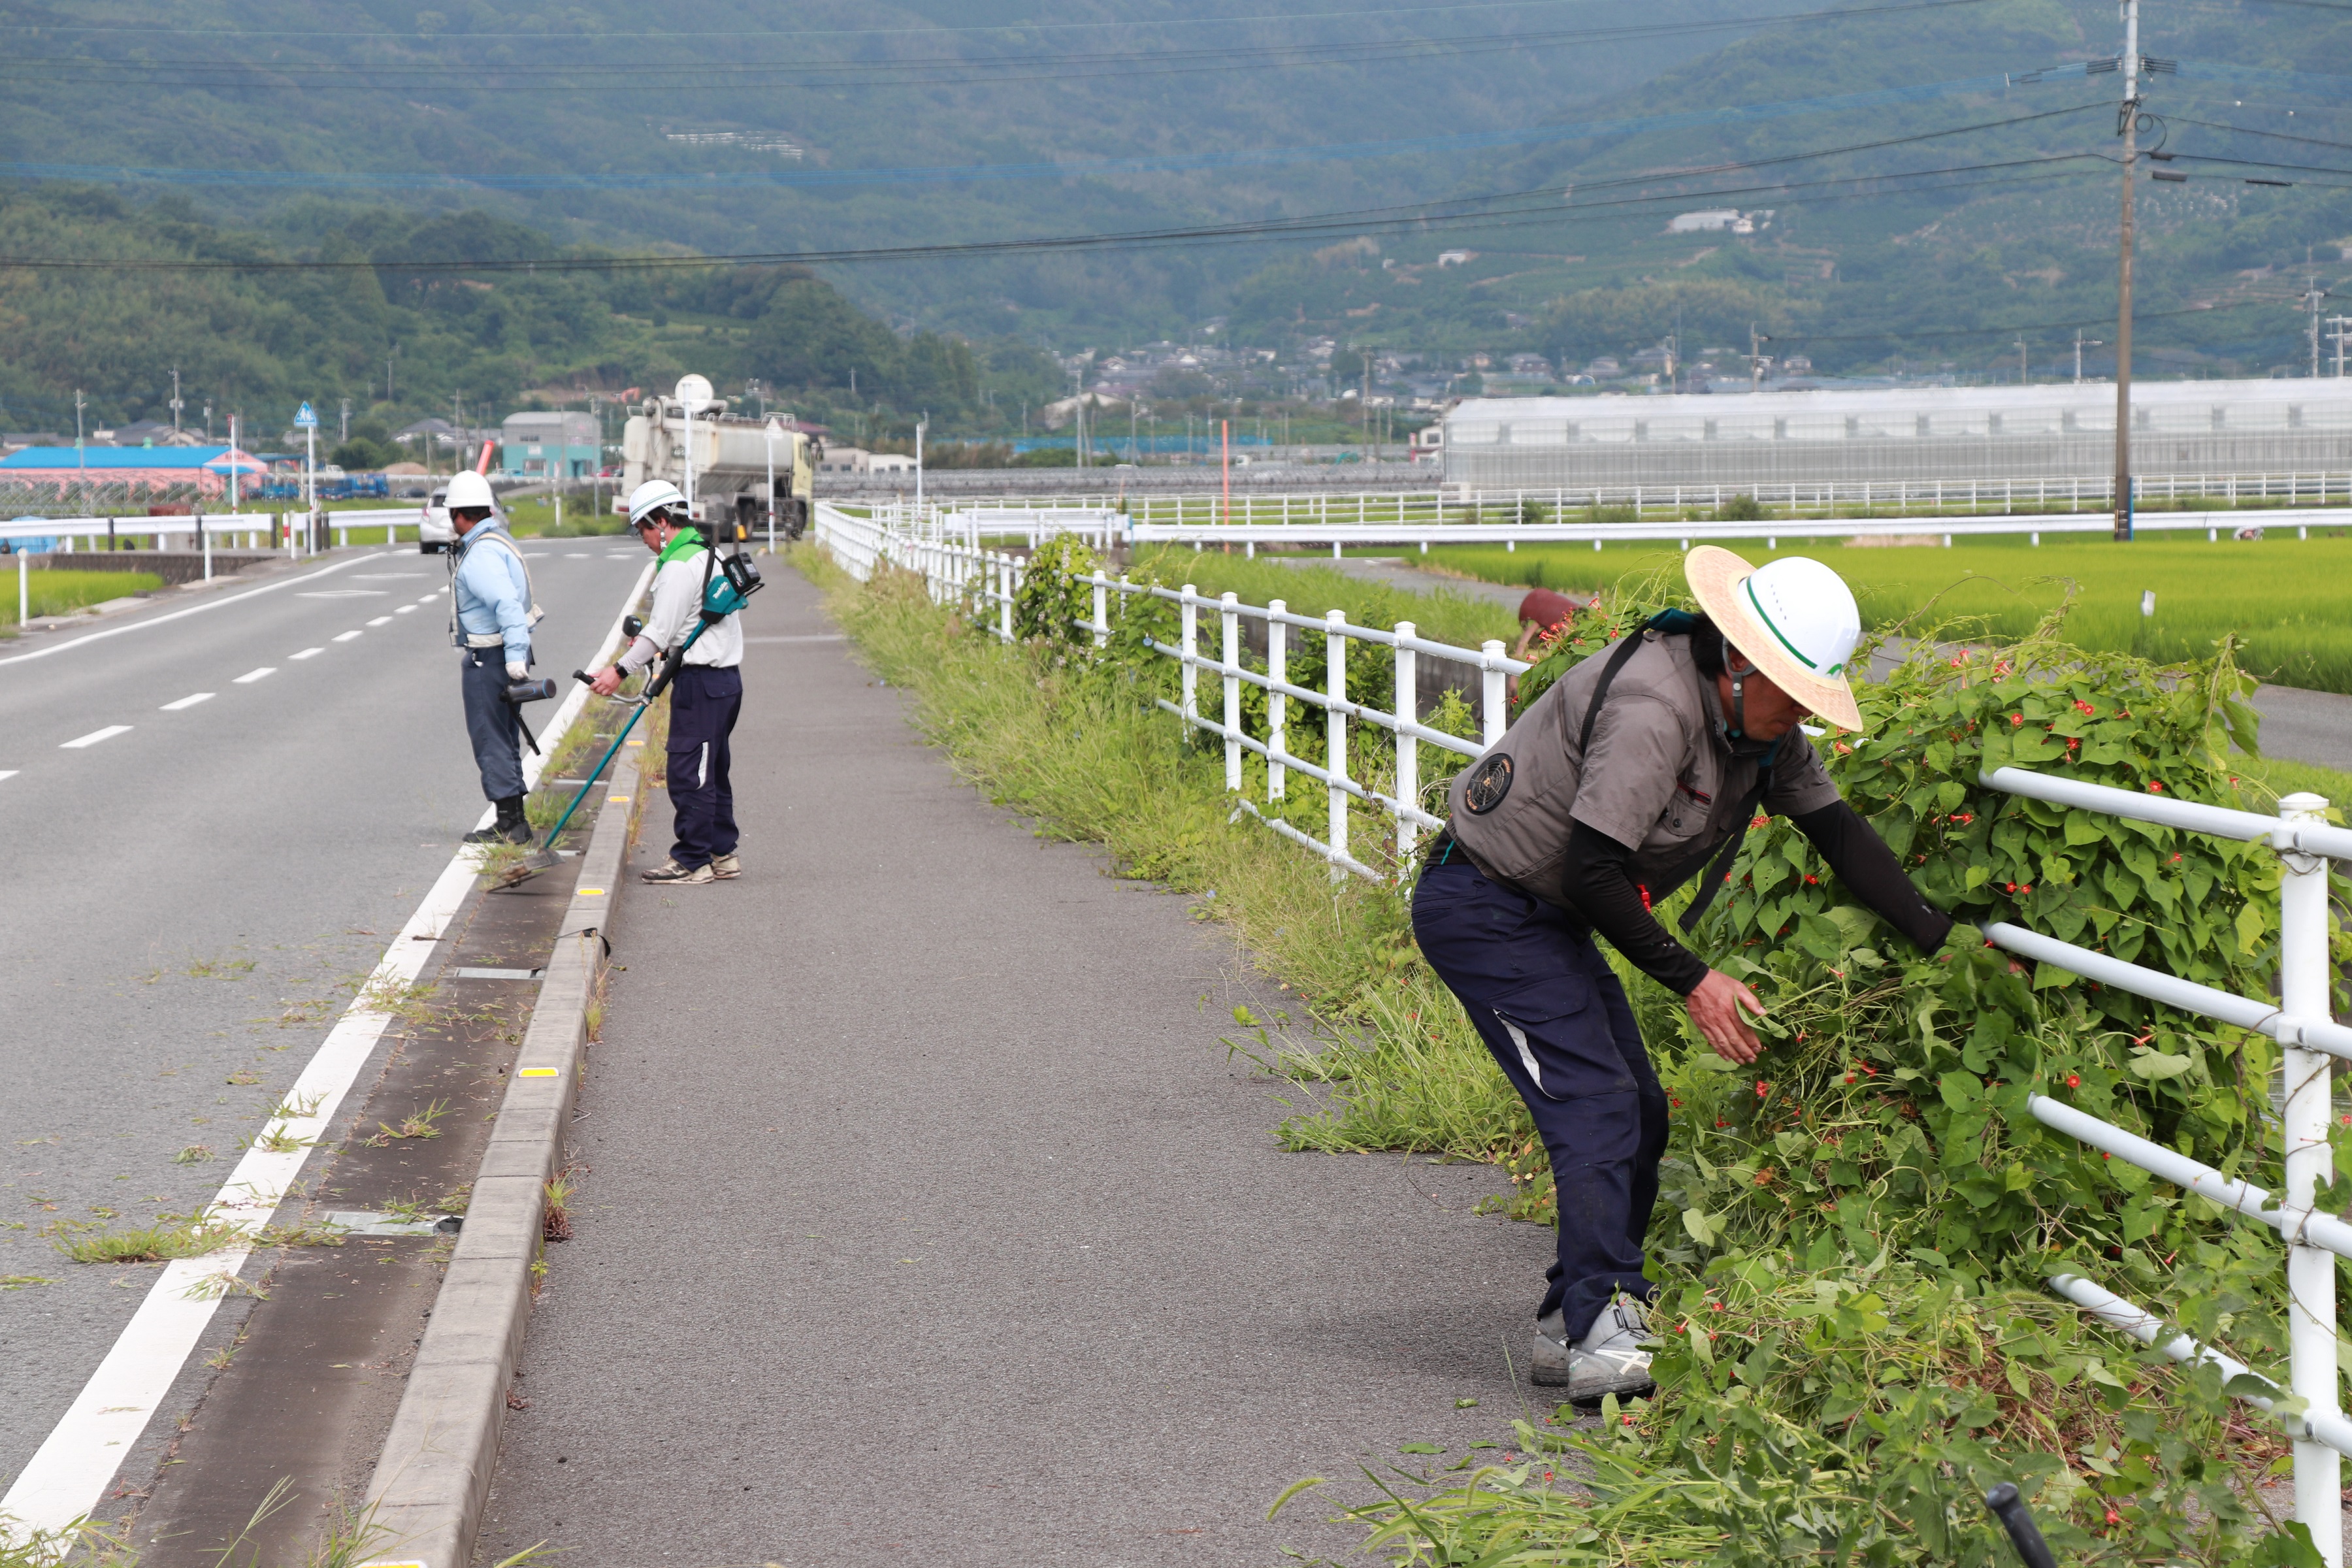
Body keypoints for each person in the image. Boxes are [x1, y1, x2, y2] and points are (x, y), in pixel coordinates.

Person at [1413, 547, 1953, 1400]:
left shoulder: (1758, 727)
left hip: (1550, 914)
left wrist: (1940, 938)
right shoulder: (1655, 708)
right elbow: (1596, 870)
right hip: (1485, 905)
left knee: (1642, 1105)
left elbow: (1838, 833)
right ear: (1739, 659)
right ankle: (1604, 1322)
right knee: (1593, 1103)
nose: (1797, 716)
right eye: (1791, 693)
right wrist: (1697, 981)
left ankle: (1572, 1316)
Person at [587, 480, 744, 885]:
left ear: (661, 522)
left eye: (642, 529)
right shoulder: (710, 553)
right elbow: (690, 625)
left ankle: (692, 861)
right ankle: (721, 853)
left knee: (687, 771)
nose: (643, 538)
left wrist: (617, 670)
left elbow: (658, 631)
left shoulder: (677, 566)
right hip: (726, 681)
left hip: (701, 683)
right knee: (713, 771)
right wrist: (660, 650)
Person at [447, 469, 542, 846]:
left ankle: (510, 823)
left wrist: (515, 654)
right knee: (503, 736)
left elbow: (506, 605)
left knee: (490, 737)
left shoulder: (481, 554)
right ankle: (514, 818)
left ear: (459, 515)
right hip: (502, 654)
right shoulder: (497, 541)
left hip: (491, 657)